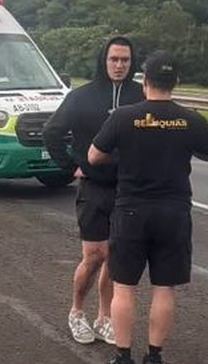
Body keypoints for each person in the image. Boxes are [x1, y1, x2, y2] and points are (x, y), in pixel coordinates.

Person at [87, 49, 208, 364]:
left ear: (144, 80)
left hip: (131, 209)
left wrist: (123, 155)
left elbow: (94, 156)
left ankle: (122, 359)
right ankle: (154, 359)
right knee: (164, 288)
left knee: (124, 287)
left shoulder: (123, 117)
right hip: (174, 211)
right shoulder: (190, 119)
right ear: (176, 82)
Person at [41, 36, 144, 344]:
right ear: (104, 60)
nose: (119, 65)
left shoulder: (141, 95)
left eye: (125, 60)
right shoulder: (81, 96)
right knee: (94, 255)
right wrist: (72, 166)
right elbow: (52, 132)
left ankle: (104, 317)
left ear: (132, 62)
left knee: (114, 256)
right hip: (94, 187)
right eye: (114, 59)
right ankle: (76, 311)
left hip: (127, 189)